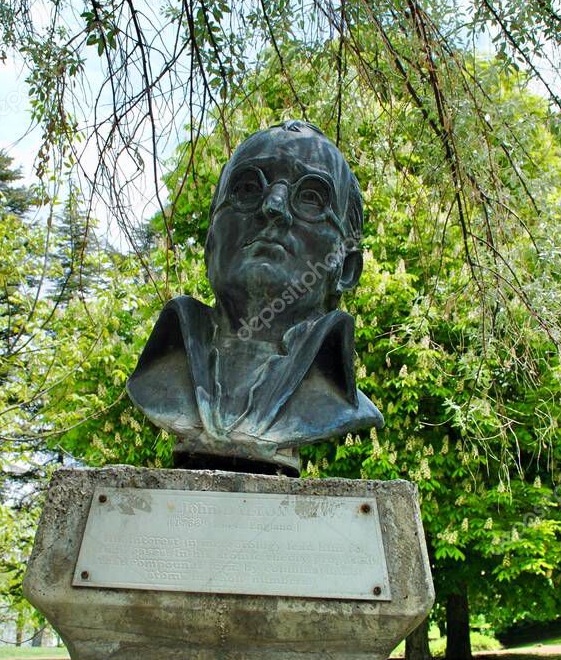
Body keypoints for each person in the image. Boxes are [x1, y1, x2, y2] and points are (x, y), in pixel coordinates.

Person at [127, 120, 382, 475]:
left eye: (310, 196)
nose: (273, 206)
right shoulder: (157, 377)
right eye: (248, 188)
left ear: (347, 268)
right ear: (210, 241)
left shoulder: (337, 403)